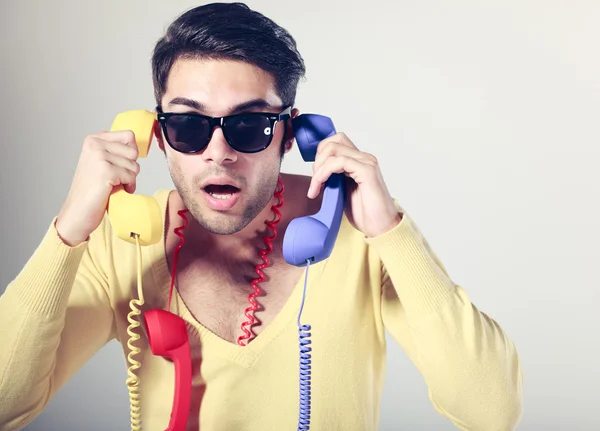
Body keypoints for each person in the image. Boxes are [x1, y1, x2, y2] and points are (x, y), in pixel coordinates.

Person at [0, 3, 523, 430]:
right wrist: (69, 226)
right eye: (189, 125)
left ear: (291, 135)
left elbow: (491, 410)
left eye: (249, 125)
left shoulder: (359, 232)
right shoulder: (121, 242)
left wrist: (390, 233)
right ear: (154, 135)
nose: (219, 152)